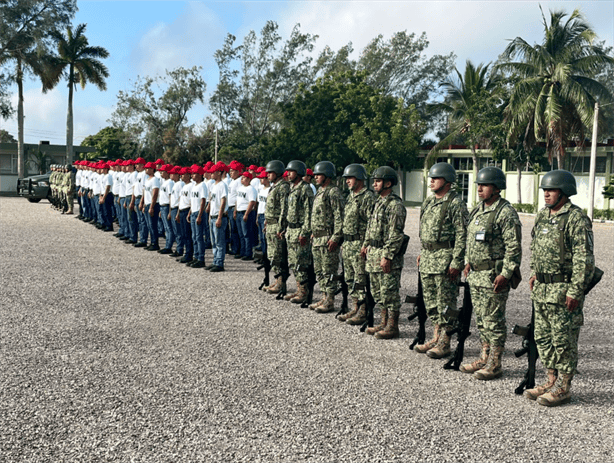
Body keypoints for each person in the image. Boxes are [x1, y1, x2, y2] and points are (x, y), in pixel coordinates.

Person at [525, 170, 595, 407]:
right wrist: (534, 272)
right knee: (543, 337)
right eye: (544, 190)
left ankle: (563, 387)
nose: (546, 194)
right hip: (543, 289)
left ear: (564, 192)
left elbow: (583, 259)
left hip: (563, 290)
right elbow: (535, 247)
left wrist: (576, 291)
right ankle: (551, 380)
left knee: (563, 340)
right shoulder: (542, 216)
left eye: (551, 190)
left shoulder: (576, 219)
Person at [462, 167, 522, 380]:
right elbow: (471, 239)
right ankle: (484, 357)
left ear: (496, 188)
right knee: (481, 320)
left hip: (493, 277)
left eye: (484, 185)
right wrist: (468, 261)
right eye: (479, 184)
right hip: (476, 275)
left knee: (494, 320)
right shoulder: (477, 210)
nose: (480, 188)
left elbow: (513, 247)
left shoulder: (505, 212)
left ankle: (495, 363)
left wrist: (506, 274)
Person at [414, 162, 468, 359]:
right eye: (431, 178)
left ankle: (445, 341)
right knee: (431, 302)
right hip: (428, 258)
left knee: (446, 302)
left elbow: (463, 234)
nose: (431, 182)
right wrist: (423, 250)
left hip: (445, 259)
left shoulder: (456, 203)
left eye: (435, 179)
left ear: (447, 181)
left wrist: (457, 261)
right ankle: (436, 337)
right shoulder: (429, 202)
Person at [361, 166, 406, 339]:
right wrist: (365, 245)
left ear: (388, 183)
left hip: (386, 255)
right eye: (374, 181)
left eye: (378, 181)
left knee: (389, 291)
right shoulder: (377, 202)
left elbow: (396, 234)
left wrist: (387, 255)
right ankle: (383, 322)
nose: (374, 184)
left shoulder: (395, 205)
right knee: (377, 291)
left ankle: (393, 326)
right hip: (373, 253)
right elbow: (370, 227)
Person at [339, 164, 376, 324]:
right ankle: (355, 307)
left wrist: (366, 244)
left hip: (359, 243)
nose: (347, 181)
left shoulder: (367, 197)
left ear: (360, 179)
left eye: (350, 178)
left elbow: (371, 223)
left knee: (360, 279)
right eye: (346, 178)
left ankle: (363, 310)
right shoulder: (350, 196)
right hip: (348, 243)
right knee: (350, 278)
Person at [307, 161, 345, 312]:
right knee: (319, 270)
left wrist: (336, 237)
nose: (315, 177)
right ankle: (323, 297)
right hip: (317, 238)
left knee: (329, 270)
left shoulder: (333, 192)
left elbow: (339, 216)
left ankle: (329, 300)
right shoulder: (320, 191)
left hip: (327, 238)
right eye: (315, 174)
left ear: (327, 176)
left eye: (319, 174)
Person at [279, 160, 314, 301]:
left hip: (300, 229)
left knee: (301, 262)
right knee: (293, 262)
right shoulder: (292, 188)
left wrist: (304, 232)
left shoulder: (305, 189)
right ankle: (299, 289)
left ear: (299, 173)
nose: (288, 174)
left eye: (291, 171)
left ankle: (304, 292)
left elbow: (309, 212)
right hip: (291, 229)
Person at [263, 160, 290, 293]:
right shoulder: (274, 187)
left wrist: (281, 227)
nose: (267, 175)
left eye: (270, 172)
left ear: (278, 173)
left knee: (278, 255)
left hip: (277, 226)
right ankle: (277, 280)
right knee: (272, 255)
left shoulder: (283, 187)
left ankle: (281, 283)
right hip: (271, 224)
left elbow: (284, 209)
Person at [207, 163, 229, 272]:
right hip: (213, 216)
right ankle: (215, 260)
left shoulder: (222, 185)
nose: (211, 174)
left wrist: (219, 217)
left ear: (219, 173)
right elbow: (211, 200)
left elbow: (223, 201)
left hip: (219, 216)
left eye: (213, 172)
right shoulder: (213, 185)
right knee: (213, 241)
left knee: (219, 241)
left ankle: (220, 263)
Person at [186, 165, 208, 267]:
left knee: (199, 237)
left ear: (199, 175)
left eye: (194, 173)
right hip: (193, 212)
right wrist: (190, 213)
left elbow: (203, 200)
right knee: (194, 236)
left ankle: (201, 258)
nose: (192, 175)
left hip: (199, 213)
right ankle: (196, 256)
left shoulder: (202, 185)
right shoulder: (194, 186)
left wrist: (199, 215)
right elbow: (193, 201)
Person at [235, 171, 258, 260]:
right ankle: (242, 251)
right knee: (241, 233)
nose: (242, 179)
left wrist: (246, 214)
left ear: (248, 179)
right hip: (239, 212)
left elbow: (252, 202)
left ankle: (248, 253)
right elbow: (238, 200)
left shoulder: (251, 189)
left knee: (246, 234)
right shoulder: (240, 188)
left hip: (246, 212)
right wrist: (235, 211)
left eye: (244, 178)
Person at [140, 162, 160, 250]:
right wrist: (143, 203)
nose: (146, 169)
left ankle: (155, 243)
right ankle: (152, 242)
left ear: (152, 169)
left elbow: (155, 193)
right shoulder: (147, 179)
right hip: (147, 204)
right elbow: (145, 192)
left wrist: (152, 206)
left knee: (153, 225)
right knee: (149, 224)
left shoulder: (155, 179)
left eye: (148, 168)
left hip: (153, 205)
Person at [177, 167, 194, 264]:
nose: (181, 176)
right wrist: (178, 213)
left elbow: (192, 201)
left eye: (183, 174)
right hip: (182, 210)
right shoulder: (184, 186)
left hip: (187, 210)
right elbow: (181, 200)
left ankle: (189, 254)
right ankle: (186, 253)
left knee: (188, 234)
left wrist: (189, 212)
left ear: (188, 175)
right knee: (184, 234)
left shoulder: (192, 186)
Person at [158, 164, 176, 254]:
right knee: (166, 227)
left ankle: (168, 246)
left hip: (167, 206)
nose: (161, 173)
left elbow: (170, 197)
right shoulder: (164, 182)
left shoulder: (170, 183)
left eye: (163, 172)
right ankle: (167, 245)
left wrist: (169, 211)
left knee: (169, 228)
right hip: (162, 206)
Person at [131, 157, 149, 247]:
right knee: (139, 220)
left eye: (137, 164)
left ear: (142, 165)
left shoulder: (144, 174)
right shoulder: (138, 174)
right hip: (137, 198)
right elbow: (135, 188)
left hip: (141, 198)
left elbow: (144, 189)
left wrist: (142, 201)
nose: (136, 166)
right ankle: (141, 238)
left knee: (142, 220)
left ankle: (143, 240)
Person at [227, 161, 243, 256]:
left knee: (236, 229)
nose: (230, 173)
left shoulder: (239, 181)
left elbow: (238, 196)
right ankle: (234, 248)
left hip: (234, 207)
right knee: (232, 229)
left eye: (232, 171)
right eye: (230, 171)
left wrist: (236, 209)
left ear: (237, 171)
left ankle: (238, 249)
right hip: (229, 207)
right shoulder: (232, 181)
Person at [168, 166, 184, 257]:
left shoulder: (180, 184)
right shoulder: (175, 184)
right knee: (175, 230)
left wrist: (177, 213)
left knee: (178, 231)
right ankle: (178, 248)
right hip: (173, 209)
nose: (171, 175)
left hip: (177, 208)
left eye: (172, 173)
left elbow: (180, 199)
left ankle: (180, 249)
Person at [256, 170, 270, 256]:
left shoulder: (270, 189)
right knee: (261, 237)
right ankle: (264, 255)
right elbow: (259, 203)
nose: (260, 180)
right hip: (260, 213)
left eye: (262, 178)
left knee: (265, 237)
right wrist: (257, 216)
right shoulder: (261, 190)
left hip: (266, 215)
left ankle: (267, 256)